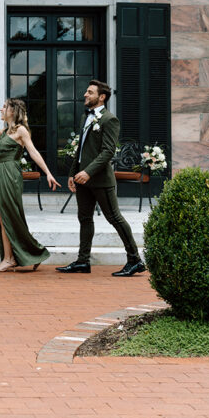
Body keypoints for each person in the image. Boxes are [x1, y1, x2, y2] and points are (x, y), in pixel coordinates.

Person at [56, 80, 145, 277]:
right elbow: (80, 150)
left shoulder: (109, 120)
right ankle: (82, 261)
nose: (85, 95)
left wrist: (88, 171)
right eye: (86, 91)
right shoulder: (86, 118)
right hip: (82, 181)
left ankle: (135, 260)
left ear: (101, 97)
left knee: (114, 218)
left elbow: (107, 152)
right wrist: (72, 173)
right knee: (84, 218)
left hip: (101, 180)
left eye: (90, 92)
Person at [0, 96, 59, 272]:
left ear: (12, 111)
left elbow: (34, 152)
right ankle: (20, 255)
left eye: (4, 106)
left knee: (8, 215)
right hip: (1, 173)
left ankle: (10, 258)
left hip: (11, 175)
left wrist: (48, 173)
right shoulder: (5, 131)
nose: (1, 109)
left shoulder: (21, 131)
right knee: (3, 215)